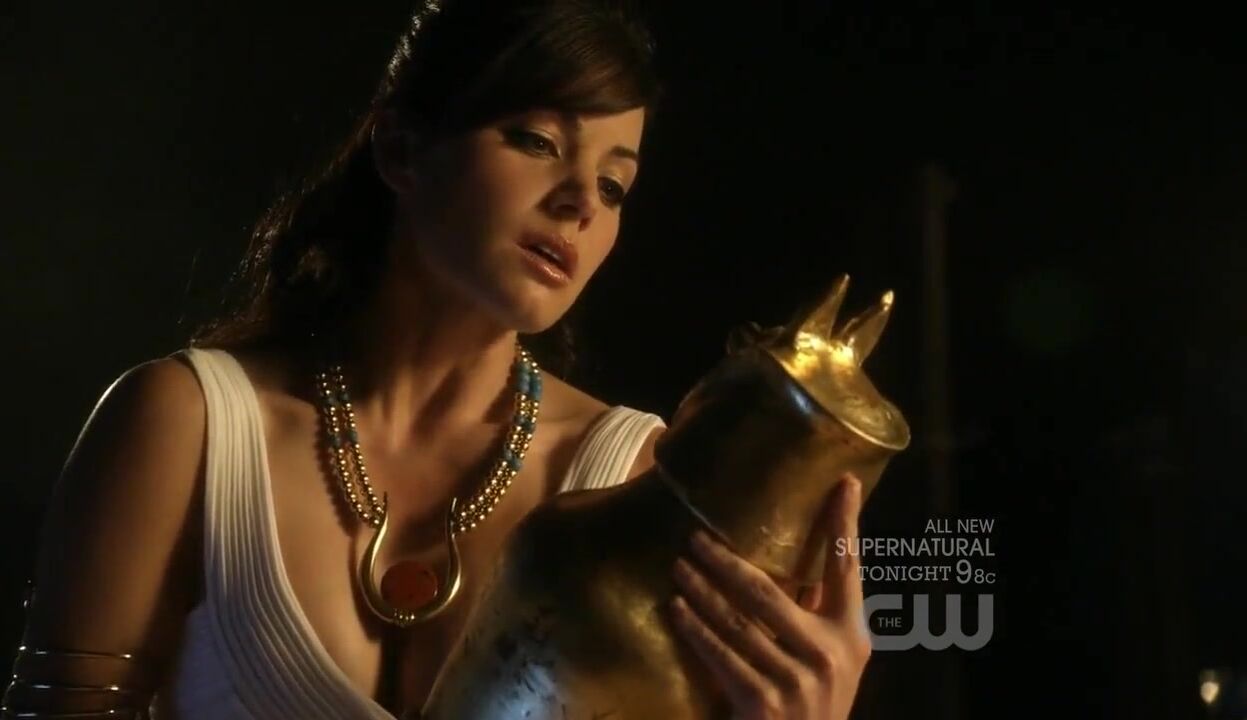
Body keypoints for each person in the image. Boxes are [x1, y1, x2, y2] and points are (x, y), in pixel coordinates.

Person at [4, 1, 873, 718]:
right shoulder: (185, 426)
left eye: (614, 184)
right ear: (400, 150)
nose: (579, 201)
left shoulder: (635, 479)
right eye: (537, 141)